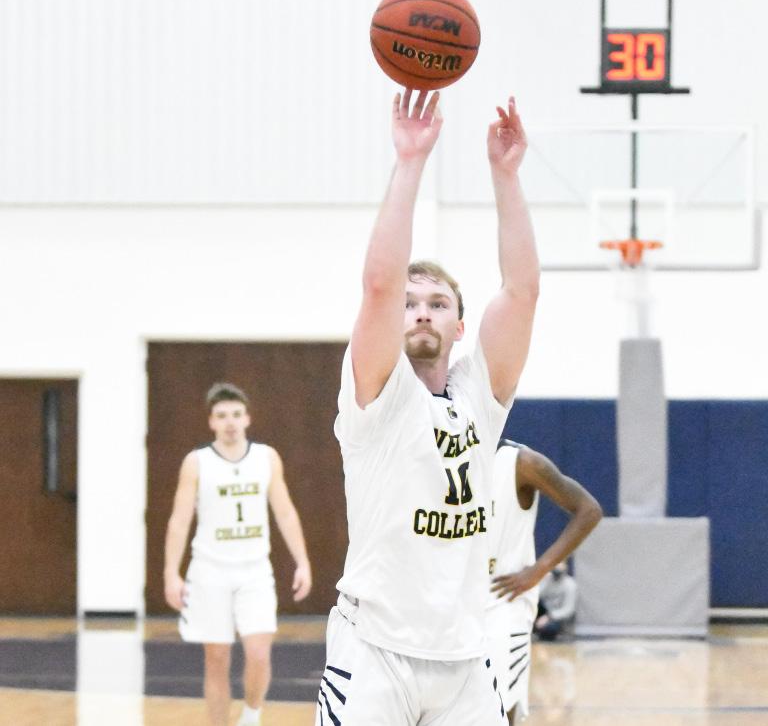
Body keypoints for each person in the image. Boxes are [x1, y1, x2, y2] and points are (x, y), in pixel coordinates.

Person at [315, 89, 540, 725]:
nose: (420, 311)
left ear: (459, 326)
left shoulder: (478, 397)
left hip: (466, 657)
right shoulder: (378, 394)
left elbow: (522, 292)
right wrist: (410, 160)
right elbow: (378, 285)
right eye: (410, 303)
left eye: (437, 304)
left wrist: (506, 176)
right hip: (375, 653)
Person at [164, 382, 312, 726]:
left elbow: (285, 512)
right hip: (210, 570)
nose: (229, 422)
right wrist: (171, 572)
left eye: (235, 414)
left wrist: (302, 561)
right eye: (221, 416)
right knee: (217, 657)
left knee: (259, 651)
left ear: (247, 418)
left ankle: (251, 715)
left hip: (255, 570)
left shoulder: (266, 457)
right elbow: (179, 520)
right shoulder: (196, 462)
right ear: (211, 422)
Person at [487, 439, 602, 723]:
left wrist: (539, 569)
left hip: (505, 600)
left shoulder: (522, 463)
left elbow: (589, 510)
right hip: (458, 602)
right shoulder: (447, 456)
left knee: (501, 704)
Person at [535, 561, 578, 641]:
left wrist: (549, 617)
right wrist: (544, 578)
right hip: (545, 611)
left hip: (558, 616)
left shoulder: (570, 584)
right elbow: (537, 595)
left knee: (549, 629)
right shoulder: (547, 579)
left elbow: (568, 610)